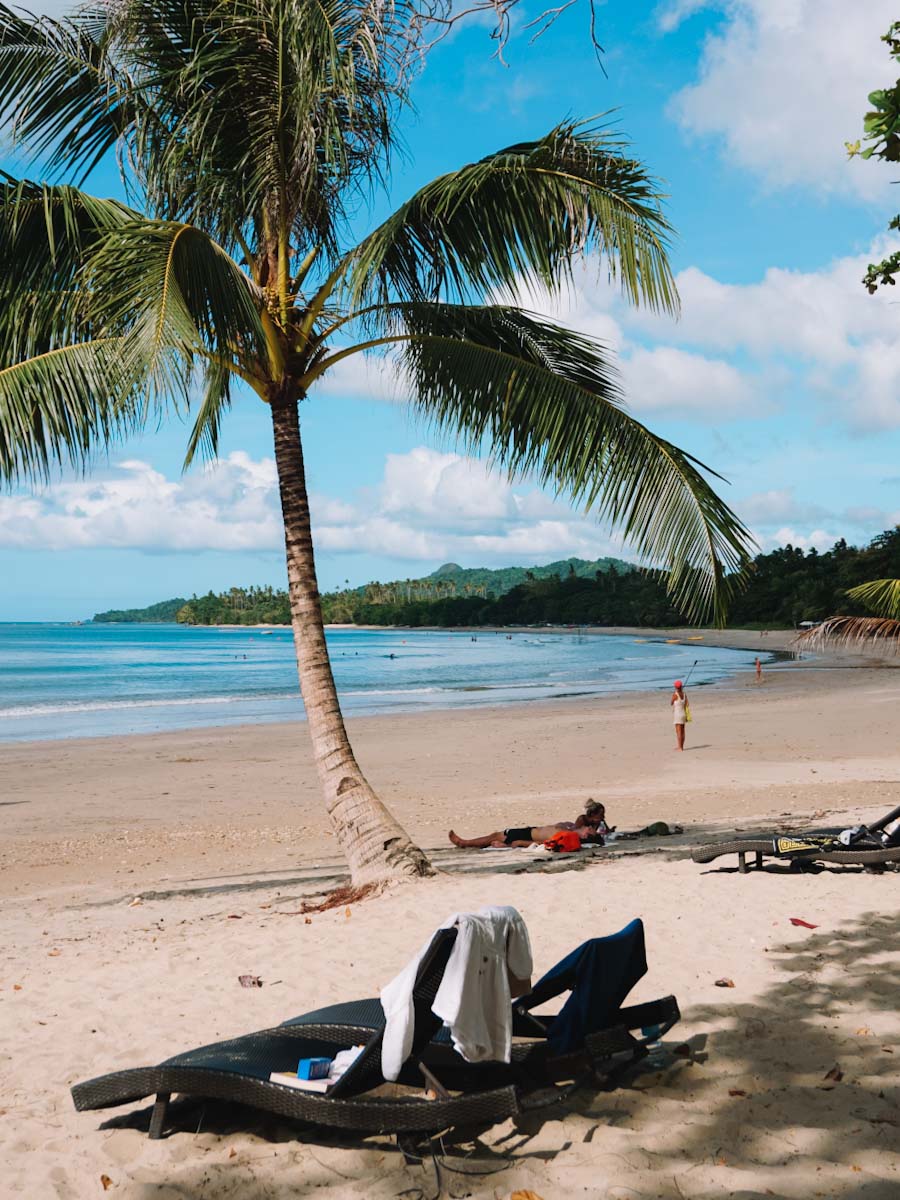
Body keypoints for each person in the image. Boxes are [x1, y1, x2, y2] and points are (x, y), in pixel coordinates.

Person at [449, 803, 610, 849]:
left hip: (527, 835)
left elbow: (545, 844)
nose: (589, 828)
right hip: (530, 832)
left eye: (589, 830)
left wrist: (520, 844)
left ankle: (464, 843)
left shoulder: (569, 835)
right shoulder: (573, 830)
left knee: (494, 835)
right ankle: (467, 843)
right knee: (495, 836)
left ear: (585, 835)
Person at [671, 680, 688, 751]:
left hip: (677, 715)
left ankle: (680, 747)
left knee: (678, 732)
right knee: (683, 731)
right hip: (683, 714)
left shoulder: (675, 694)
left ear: (675, 687)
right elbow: (687, 704)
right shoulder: (684, 694)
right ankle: (681, 746)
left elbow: (671, 703)